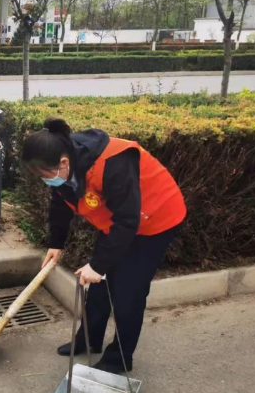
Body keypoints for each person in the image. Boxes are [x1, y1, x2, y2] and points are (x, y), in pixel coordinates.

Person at [21, 117, 186, 374]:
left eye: (45, 176)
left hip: (155, 219)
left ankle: (118, 359)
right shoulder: (64, 166)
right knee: (98, 289)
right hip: (120, 223)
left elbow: (128, 221)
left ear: (63, 163)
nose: (45, 181)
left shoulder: (114, 163)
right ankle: (88, 340)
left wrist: (98, 265)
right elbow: (60, 201)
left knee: (127, 294)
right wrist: (56, 243)